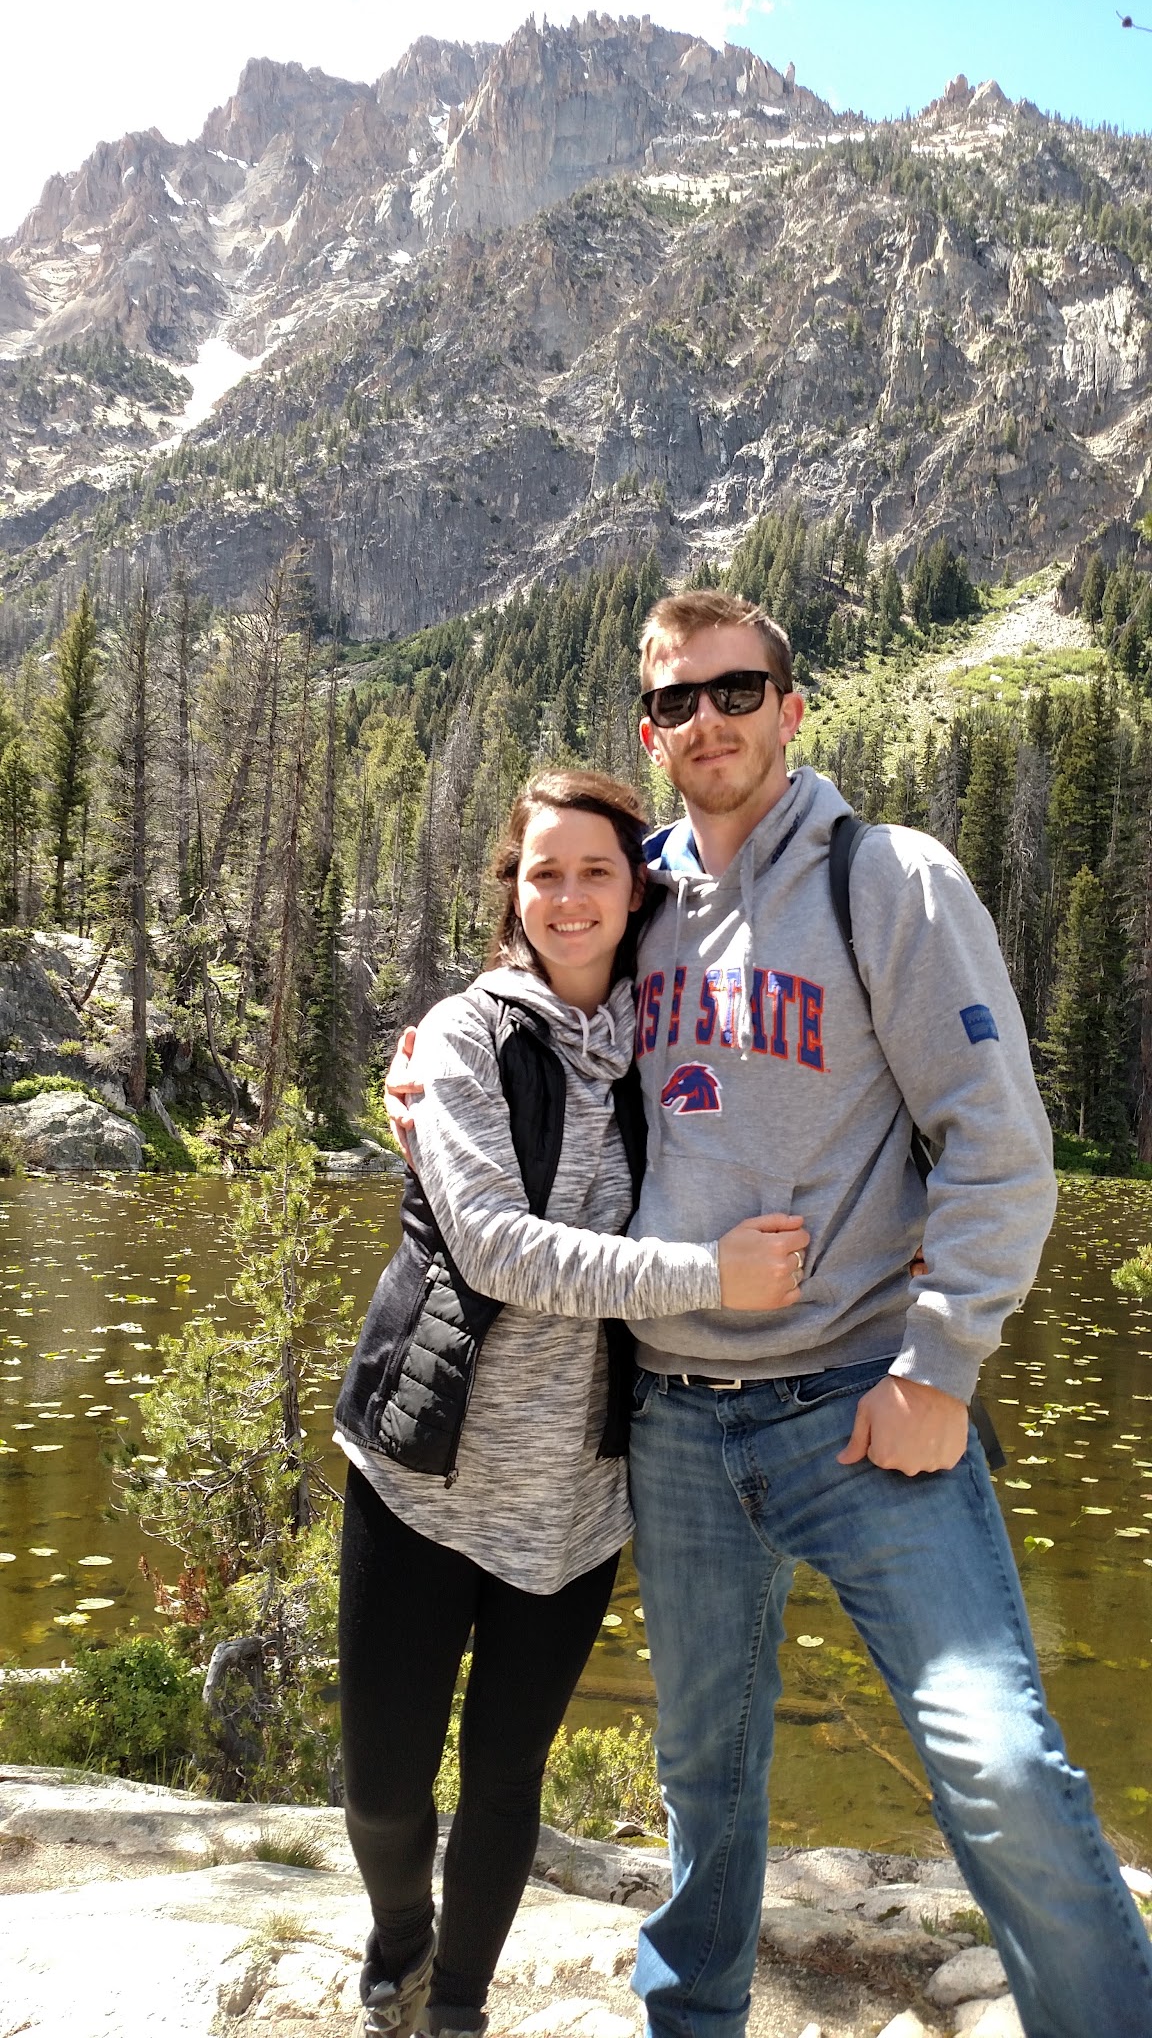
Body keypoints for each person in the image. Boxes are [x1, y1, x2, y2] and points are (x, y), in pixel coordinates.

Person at [388, 593, 1152, 2038]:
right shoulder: (645, 894)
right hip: (674, 1424)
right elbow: (533, 997)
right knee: (706, 1784)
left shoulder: (888, 880)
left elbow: (999, 1145)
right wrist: (423, 1057)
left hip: (861, 1408)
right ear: (650, 730)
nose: (709, 722)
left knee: (996, 1759)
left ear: (794, 709)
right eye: (677, 703)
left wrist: (942, 1363)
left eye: (738, 691)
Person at [335, 768, 808, 2038]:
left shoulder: (670, 1045)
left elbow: (800, 1109)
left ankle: (460, 2008)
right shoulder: (464, 1036)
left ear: (635, 888)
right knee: (382, 1780)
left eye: (598, 869)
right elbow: (495, 1245)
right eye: (545, 870)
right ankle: (399, 1933)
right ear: (514, 891)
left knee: (504, 1777)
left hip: (582, 1493)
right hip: (423, 1468)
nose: (570, 894)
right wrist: (714, 1277)